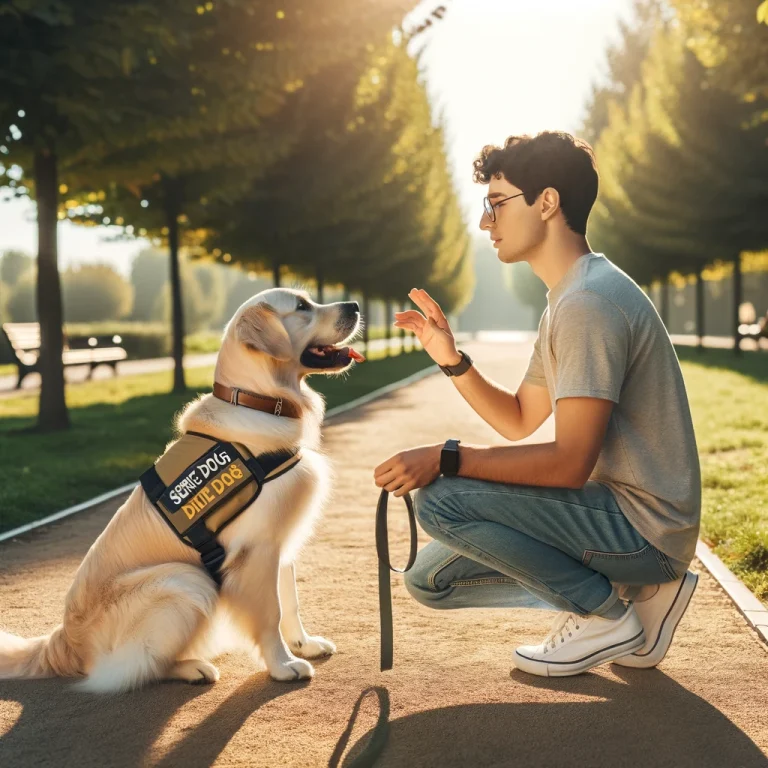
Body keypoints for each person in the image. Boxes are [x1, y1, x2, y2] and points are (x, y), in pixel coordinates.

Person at [373, 131, 701, 678]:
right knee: (429, 580)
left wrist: (445, 458)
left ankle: (603, 613)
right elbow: (519, 418)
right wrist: (450, 358)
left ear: (546, 202)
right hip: (621, 519)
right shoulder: (568, 300)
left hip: (643, 527)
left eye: (496, 203)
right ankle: (632, 594)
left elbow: (568, 464)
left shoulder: (588, 305)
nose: (485, 222)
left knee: (441, 502)